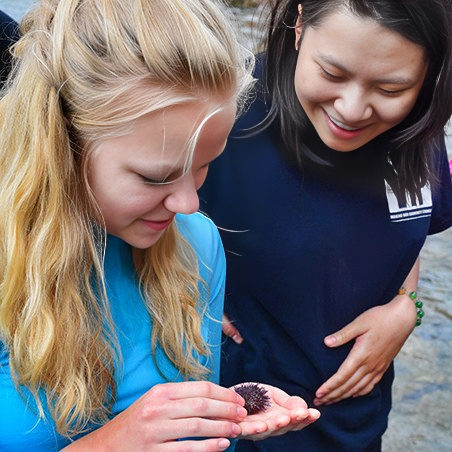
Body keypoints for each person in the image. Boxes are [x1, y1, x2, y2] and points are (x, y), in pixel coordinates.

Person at [0, 0, 321, 450]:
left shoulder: (197, 244)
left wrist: (209, 416)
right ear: (63, 141)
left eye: (206, 165)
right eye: (156, 176)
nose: (188, 204)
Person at [199, 0, 452, 450]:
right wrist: (179, 291)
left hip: (354, 422)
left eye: (391, 88)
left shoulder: (417, 135)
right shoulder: (223, 109)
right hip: (234, 418)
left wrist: (405, 306)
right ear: (299, 24)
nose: (352, 110)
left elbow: (407, 229)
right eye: (332, 74)